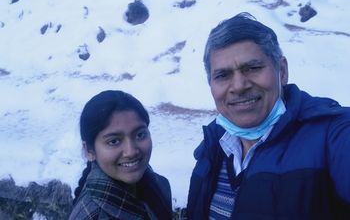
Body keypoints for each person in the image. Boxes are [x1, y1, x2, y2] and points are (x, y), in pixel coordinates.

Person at [186, 12, 350, 219]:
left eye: (253, 68)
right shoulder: (212, 147)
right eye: (223, 75)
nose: (239, 86)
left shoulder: (332, 134)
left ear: (282, 71)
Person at [69, 90, 172, 220]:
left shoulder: (156, 185)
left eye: (140, 135)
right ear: (89, 150)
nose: (131, 152)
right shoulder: (92, 216)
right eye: (113, 141)